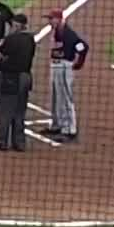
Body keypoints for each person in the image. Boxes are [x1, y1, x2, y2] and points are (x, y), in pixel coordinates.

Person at [0, 14, 36, 152]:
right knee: (20, 111)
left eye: (12, 25)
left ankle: (1, 141)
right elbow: (7, 47)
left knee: (4, 111)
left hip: (11, 79)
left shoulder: (11, 39)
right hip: (26, 78)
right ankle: (19, 143)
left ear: (17, 26)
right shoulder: (30, 39)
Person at [42, 10, 89, 142]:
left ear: (59, 19)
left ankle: (70, 129)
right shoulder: (57, 32)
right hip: (55, 66)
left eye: (51, 19)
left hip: (64, 67)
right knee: (55, 97)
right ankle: (56, 125)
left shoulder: (69, 35)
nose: (49, 22)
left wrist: (79, 63)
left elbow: (83, 47)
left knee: (65, 98)